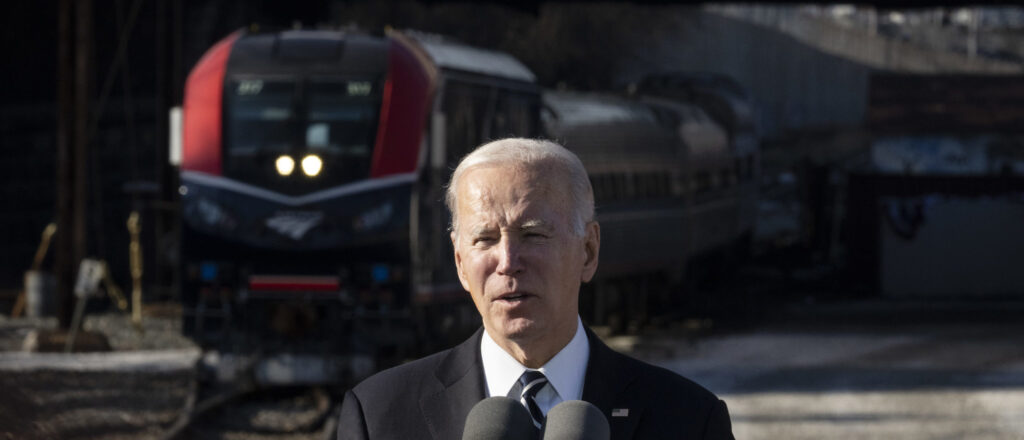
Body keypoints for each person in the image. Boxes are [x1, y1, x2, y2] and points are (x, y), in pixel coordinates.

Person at [338, 138, 734, 439]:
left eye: (533, 234)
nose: (508, 261)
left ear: (589, 250)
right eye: (485, 239)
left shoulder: (690, 420)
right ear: (460, 262)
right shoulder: (378, 416)